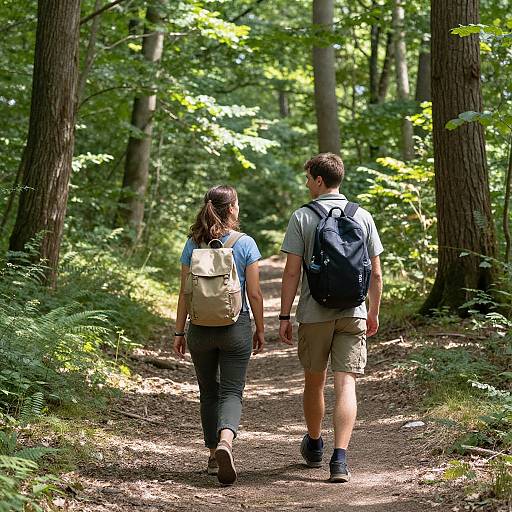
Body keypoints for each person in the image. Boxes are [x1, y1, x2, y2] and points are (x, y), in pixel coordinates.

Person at [279, 153, 383, 483]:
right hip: (354, 311)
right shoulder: (362, 216)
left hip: (314, 313)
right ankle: (340, 459)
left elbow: (291, 272)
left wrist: (284, 315)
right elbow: (376, 274)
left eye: (308, 177)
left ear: (320, 180)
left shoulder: (302, 217)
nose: (306, 182)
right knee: (346, 384)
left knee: (314, 381)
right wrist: (373, 312)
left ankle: (314, 444)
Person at [173, 185, 265, 486]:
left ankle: (213, 455)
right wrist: (260, 328)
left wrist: (179, 331)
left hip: (200, 328)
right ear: (233, 208)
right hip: (235, 327)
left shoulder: (194, 243)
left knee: (208, 392)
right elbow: (254, 292)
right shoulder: (245, 243)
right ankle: (226, 440)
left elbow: (185, 293)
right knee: (231, 391)